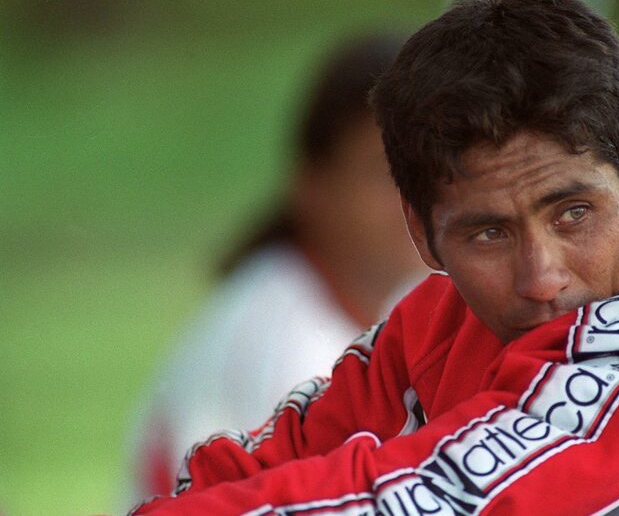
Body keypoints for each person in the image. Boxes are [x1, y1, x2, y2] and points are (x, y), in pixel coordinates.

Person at [131, 0, 619, 514]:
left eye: (574, 212)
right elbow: (254, 468)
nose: (541, 275)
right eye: (488, 232)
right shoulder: (438, 320)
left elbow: (415, 503)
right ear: (422, 232)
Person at [124, 33, 425, 502]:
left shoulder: (399, 302)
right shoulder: (277, 339)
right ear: (312, 187)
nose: (414, 197)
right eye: (383, 173)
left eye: (426, 168)